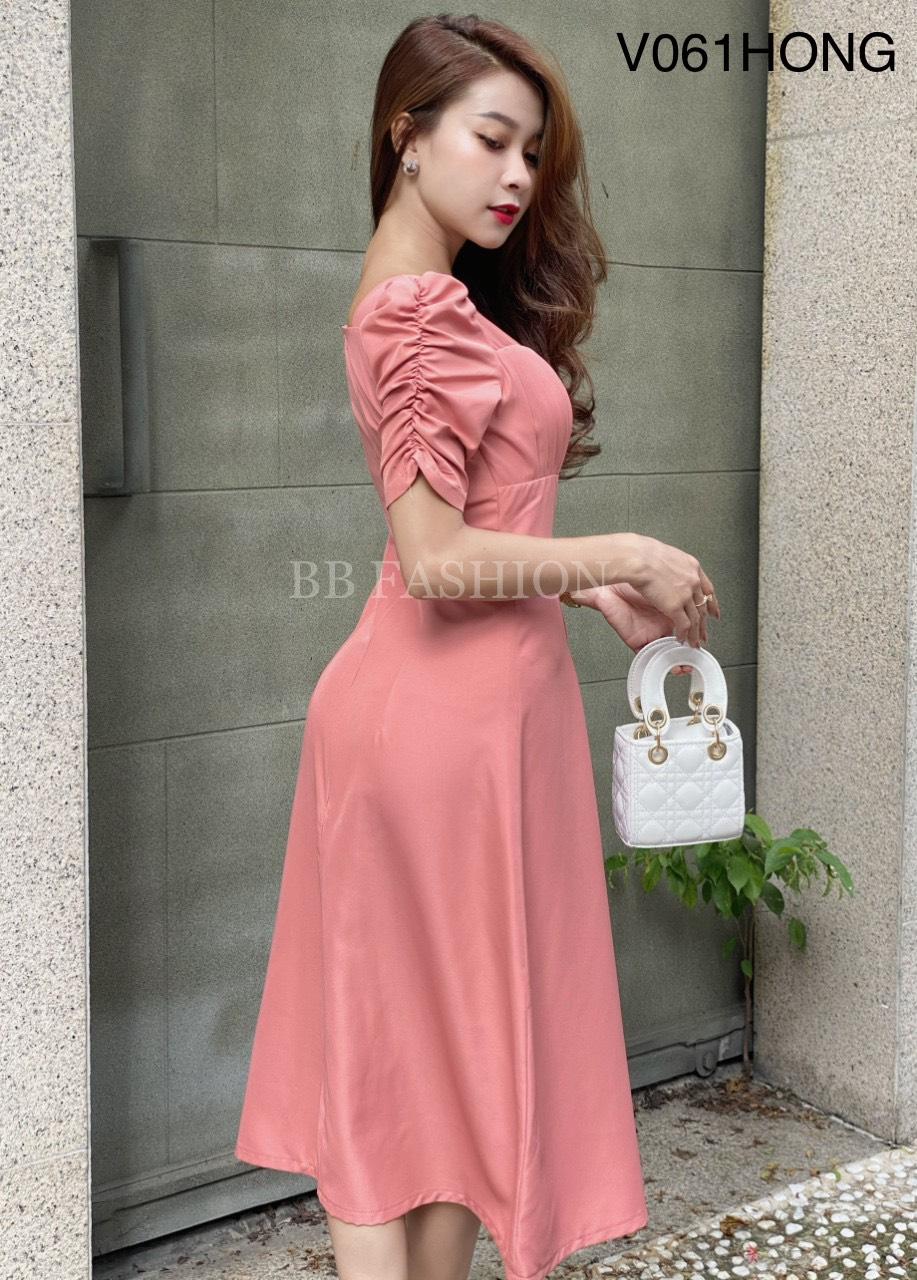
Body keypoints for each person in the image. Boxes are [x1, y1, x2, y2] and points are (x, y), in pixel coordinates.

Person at [234, 13, 721, 1280]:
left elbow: (482, 532)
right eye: (490, 139)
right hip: (430, 730)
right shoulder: (411, 312)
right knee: (391, 1063)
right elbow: (437, 557)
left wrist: (586, 589)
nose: (515, 175)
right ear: (407, 136)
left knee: (451, 1066)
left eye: (530, 153)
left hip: (485, 719)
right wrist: (623, 551)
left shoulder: (442, 298)